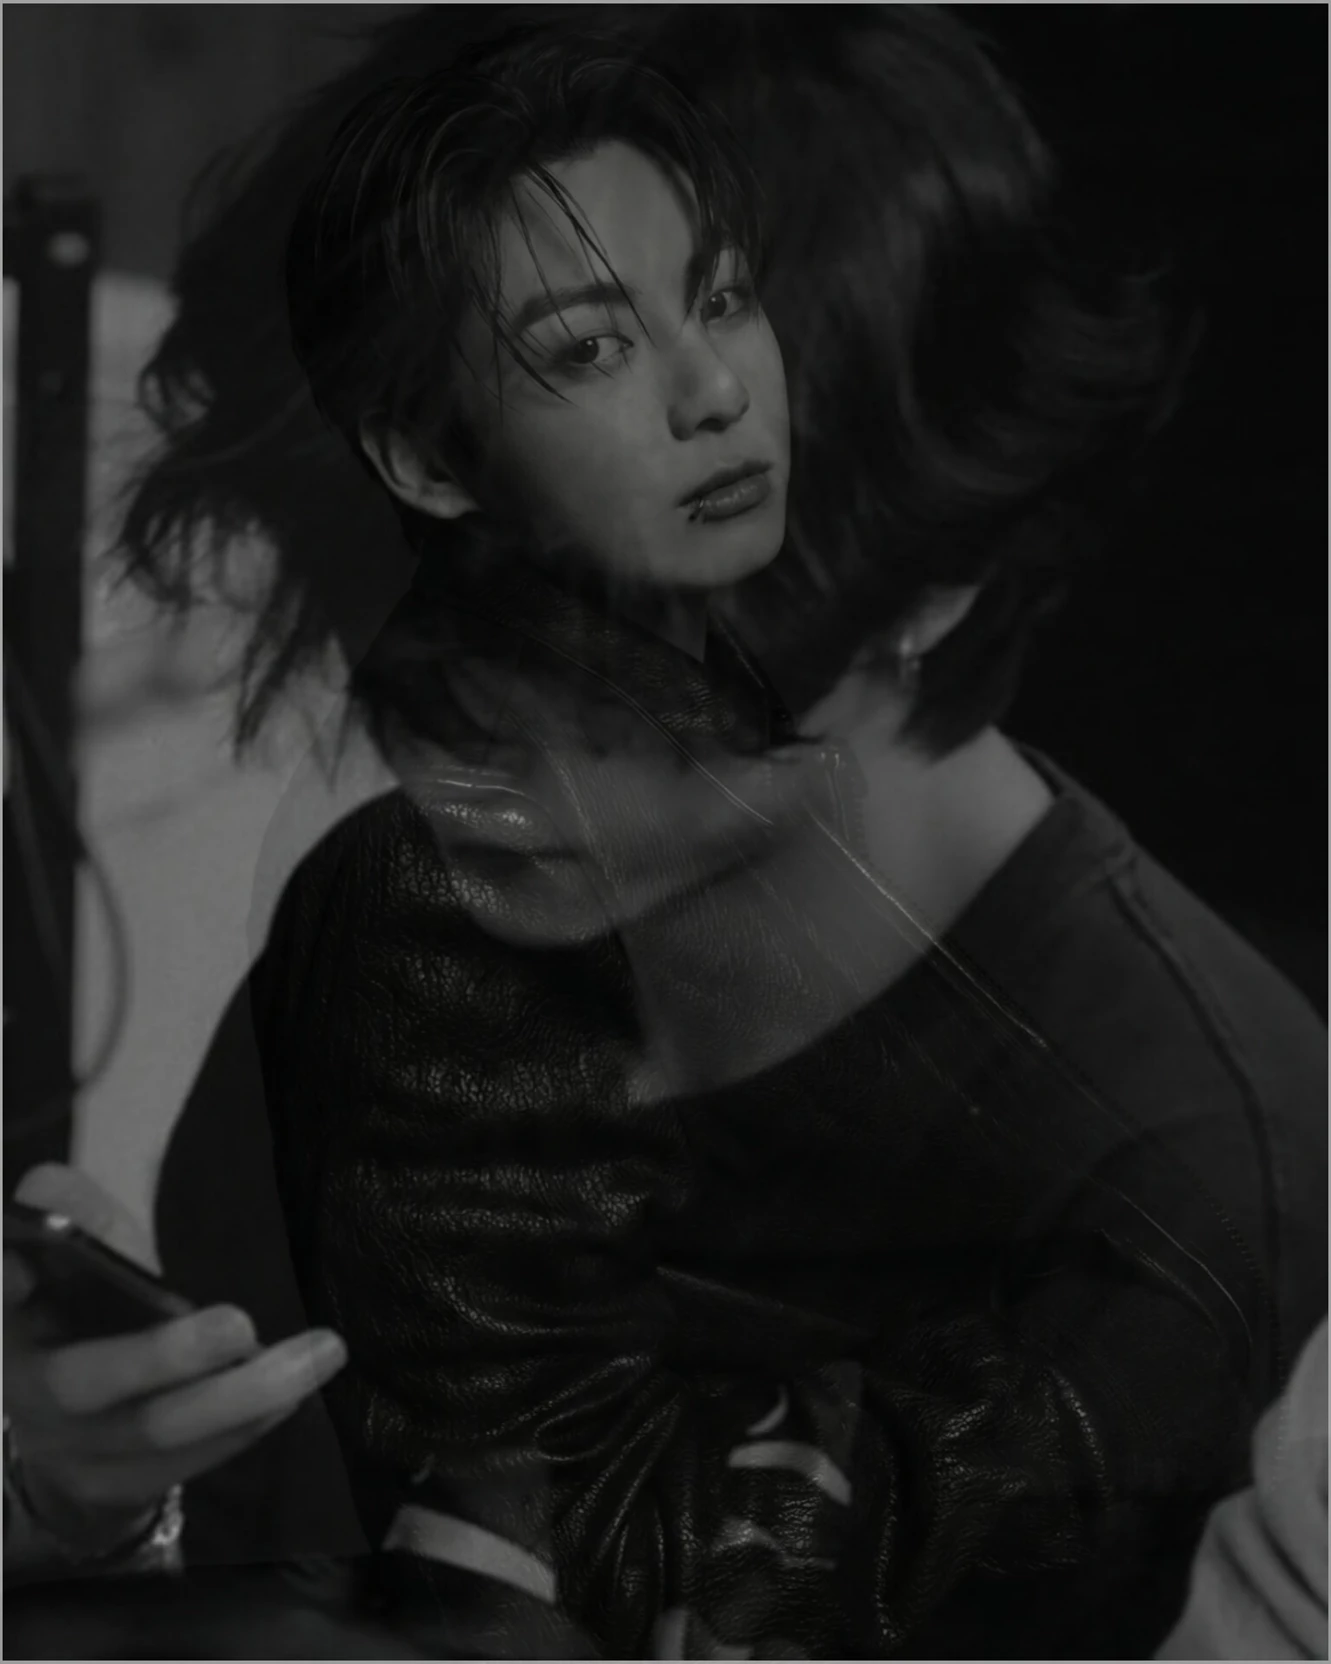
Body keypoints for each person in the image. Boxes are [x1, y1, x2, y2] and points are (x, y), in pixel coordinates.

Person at [25, 6, 1324, 1658]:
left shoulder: (1201, 1214)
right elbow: (252, 1572)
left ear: (921, 587)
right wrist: (90, 1512)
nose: (448, 747)